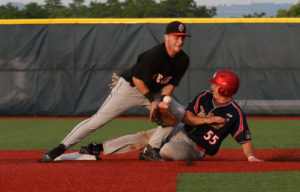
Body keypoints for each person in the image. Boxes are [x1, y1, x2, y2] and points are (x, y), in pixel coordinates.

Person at [41, 21, 191, 162]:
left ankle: (151, 149)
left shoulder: (183, 60)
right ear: (166, 37)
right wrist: (152, 102)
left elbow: (170, 84)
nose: (180, 41)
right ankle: (60, 148)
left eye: (182, 38)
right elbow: (138, 80)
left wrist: (164, 99)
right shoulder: (155, 54)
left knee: (178, 111)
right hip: (129, 88)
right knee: (99, 120)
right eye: (176, 37)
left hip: (153, 93)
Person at [79, 70, 263, 162]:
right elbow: (187, 117)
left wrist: (251, 158)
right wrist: (207, 120)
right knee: (144, 137)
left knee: (167, 150)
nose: (212, 86)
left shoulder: (235, 113)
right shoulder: (203, 96)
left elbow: (244, 140)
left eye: (216, 85)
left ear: (225, 89)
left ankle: (153, 151)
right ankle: (98, 148)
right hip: (181, 130)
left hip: (194, 148)